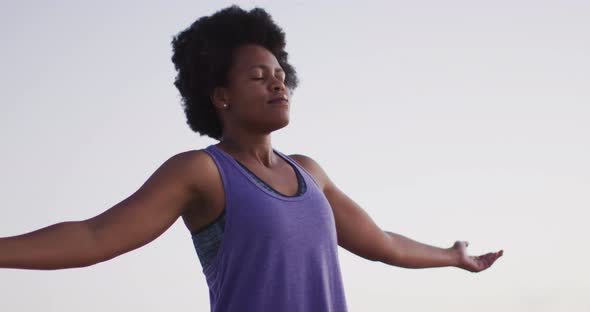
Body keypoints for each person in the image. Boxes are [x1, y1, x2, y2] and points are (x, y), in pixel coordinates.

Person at [0, 5, 503, 312]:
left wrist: (452, 257)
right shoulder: (202, 172)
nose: (277, 81)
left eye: (279, 72)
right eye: (258, 76)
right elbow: (96, 236)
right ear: (220, 96)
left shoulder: (310, 172)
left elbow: (383, 244)